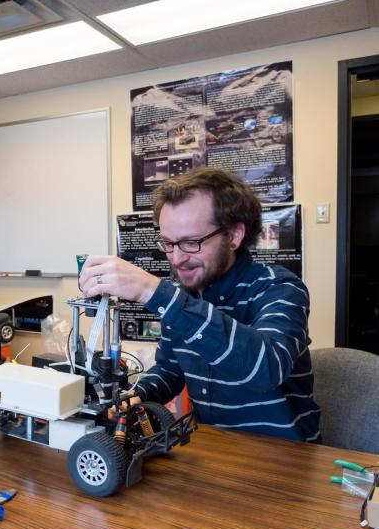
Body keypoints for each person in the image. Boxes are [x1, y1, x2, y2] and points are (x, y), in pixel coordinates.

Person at [79, 167, 320, 442]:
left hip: (287, 460)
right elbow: (170, 370)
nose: (177, 259)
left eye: (191, 243)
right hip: (214, 452)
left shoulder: (280, 287)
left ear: (233, 236)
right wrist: (136, 396)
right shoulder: (184, 298)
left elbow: (266, 369)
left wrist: (153, 291)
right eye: (169, 244)